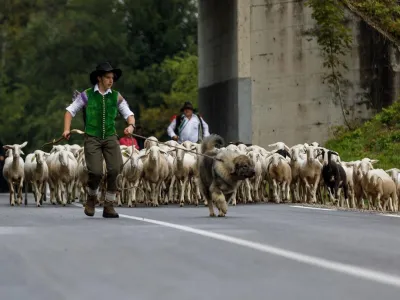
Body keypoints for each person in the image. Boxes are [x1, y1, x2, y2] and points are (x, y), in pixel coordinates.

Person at [63, 62, 136, 218]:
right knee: (95, 172)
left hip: (110, 137)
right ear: (99, 78)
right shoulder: (86, 95)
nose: (111, 81)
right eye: (108, 77)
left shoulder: (116, 96)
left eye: (112, 78)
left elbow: (129, 114)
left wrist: (131, 126)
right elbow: (70, 111)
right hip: (92, 138)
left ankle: (109, 206)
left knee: (115, 169)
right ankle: (91, 198)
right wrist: (67, 129)